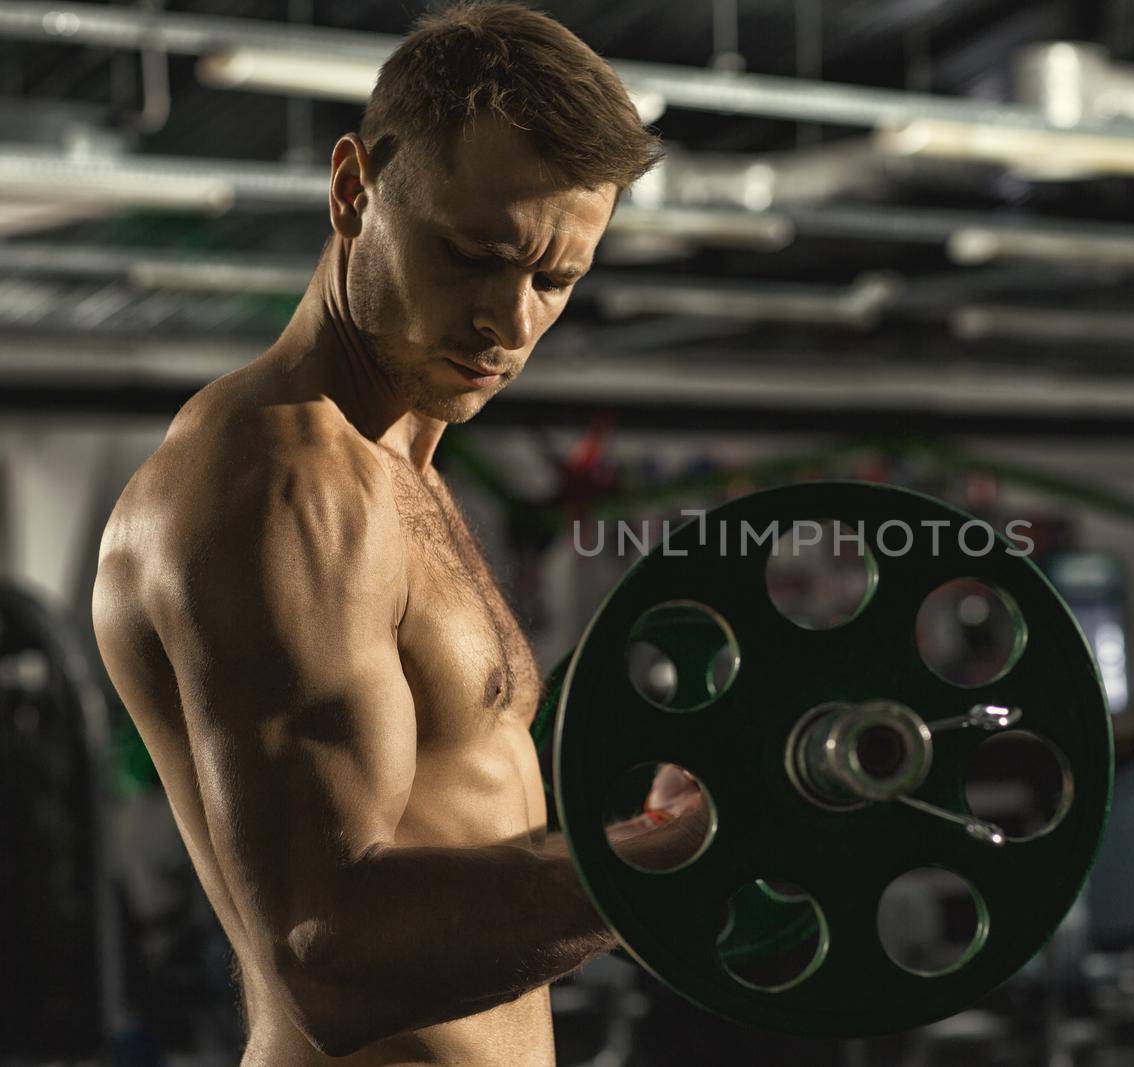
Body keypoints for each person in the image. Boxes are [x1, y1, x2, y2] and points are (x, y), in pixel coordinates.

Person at [91, 3, 704, 1062]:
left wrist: (649, 834)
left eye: (555, 281)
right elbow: (328, 953)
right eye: (473, 256)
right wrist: (648, 868)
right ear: (352, 191)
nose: (510, 324)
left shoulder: (397, 467)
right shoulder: (277, 481)